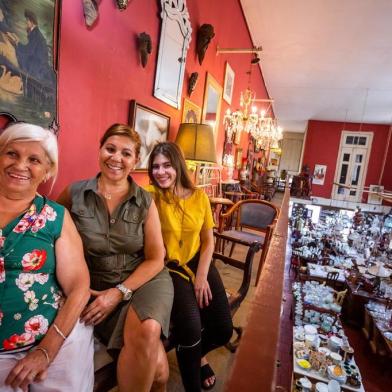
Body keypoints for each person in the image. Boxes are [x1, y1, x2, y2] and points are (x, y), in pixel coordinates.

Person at [57, 124, 174, 392]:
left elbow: (156, 259)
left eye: (126, 153)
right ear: (100, 150)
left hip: (145, 280)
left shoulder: (145, 201)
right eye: (110, 149)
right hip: (96, 284)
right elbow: (51, 238)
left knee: (148, 329)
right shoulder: (74, 194)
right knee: (158, 369)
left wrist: (118, 292)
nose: (116, 158)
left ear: (135, 161)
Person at [0, 122, 94, 391]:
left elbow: (78, 286)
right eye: (11, 154)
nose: (20, 165)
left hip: (51, 338)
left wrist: (46, 350)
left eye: (34, 160)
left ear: (47, 170)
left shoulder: (55, 216)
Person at [147, 142, 233, 391]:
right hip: (169, 267)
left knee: (223, 329)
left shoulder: (199, 197)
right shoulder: (150, 197)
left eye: (166, 165)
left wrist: (202, 276)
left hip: (198, 261)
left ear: (178, 166)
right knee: (191, 328)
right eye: (155, 167)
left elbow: (208, 241)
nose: (160, 172)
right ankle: (193, 380)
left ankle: (198, 356)